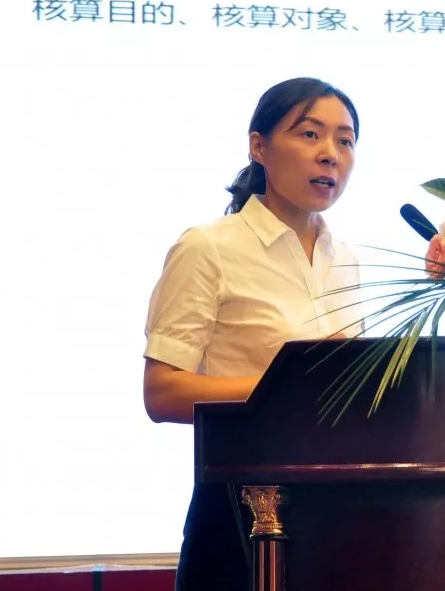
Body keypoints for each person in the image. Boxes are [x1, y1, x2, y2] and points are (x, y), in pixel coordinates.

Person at [141, 77, 365, 591]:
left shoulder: (346, 258)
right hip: (238, 513)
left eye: (345, 140)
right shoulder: (208, 248)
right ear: (258, 146)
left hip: (336, 512)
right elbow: (163, 392)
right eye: (310, 134)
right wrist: (291, 387)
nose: (330, 154)